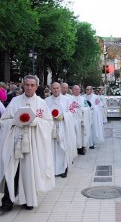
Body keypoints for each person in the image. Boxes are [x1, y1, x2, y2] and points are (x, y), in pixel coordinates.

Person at [0, 75, 55, 213]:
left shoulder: (41, 103)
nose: (29, 87)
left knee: (29, 171)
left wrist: (37, 122)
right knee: (12, 170)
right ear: (23, 85)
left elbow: (49, 123)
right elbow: (4, 120)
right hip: (15, 141)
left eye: (32, 85)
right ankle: (7, 202)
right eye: (27, 84)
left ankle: (28, 200)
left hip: (33, 144)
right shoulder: (15, 101)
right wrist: (14, 121)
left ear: (36, 87)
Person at [45, 82, 77, 178]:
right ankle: (53, 169)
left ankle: (64, 168)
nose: (55, 90)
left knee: (63, 148)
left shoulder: (67, 100)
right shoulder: (46, 101)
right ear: (51, 89)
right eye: (53, 88)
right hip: (51, 128)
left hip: (64, 127)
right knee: (51, 149)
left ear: (60, 88)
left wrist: (64, 116)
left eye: (57, 88)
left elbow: (73, 112)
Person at [72, 85, 92, 155]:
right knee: (74, 135)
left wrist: (83, 110)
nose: (77, 91)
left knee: (82, 134)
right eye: (75, 89)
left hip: (82, 120)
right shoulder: (69, 99)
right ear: (72, 90)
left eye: (78, 89)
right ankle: (75, 149)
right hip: (73, 120)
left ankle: (81, 148)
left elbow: (88, 108)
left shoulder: (83, 99)